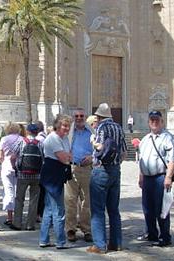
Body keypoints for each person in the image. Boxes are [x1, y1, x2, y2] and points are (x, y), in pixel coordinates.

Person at [87, 103, 127, 254]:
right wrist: (115, 163)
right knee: (114, 209)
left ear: (98, 116)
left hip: (101, 170)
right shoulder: (119, 127)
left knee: (97, 209)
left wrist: (92, 141)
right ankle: (116, 243)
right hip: (116, 171)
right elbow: (124, 152)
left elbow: (100, 147)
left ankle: (99, 245)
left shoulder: (101, 128)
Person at [138, 110, 174, 247]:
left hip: (161, 177)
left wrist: (168, 177)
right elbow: (142, 160)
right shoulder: (145, 139)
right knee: (147, 208)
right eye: (152, 120)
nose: (154, 122)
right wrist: (141, 176)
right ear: (148, 122)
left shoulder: (167, 137)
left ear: (162, 121)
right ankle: (151, 233)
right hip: (148, 179)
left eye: (157, 120)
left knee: (162, 209)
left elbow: (172, 160)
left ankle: (165, 236)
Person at [39, 115, 72, 249]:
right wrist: (67, 157)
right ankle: (60, 241)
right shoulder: (53, 138)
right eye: (64, 125)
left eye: (68, 125)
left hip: (57, 175)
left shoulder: (63, 138)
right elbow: (64, 158)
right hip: (52, 177)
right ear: (57, 125)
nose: (67, 128)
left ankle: (44, 239)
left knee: (48, 209)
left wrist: (67, 156)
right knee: (59, 210)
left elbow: (69, 155)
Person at [65, 108, 94, 242]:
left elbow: (98, 149)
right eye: (76, 116)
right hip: (72, 168)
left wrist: (92, 157)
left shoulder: (91, 133)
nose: (79, 118)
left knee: (86, 201)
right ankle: (70, 229)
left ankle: (86, 229)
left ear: (85, 117)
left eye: (81, 116)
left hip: (87, 169)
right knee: (70, 200)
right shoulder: (69, 133)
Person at [9, 124, 43, 231]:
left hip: (23, 174)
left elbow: (13, 156)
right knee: (34, 200)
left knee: (19, 199)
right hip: (37, 175)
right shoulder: (41, 143)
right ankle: (30, 224)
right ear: (37, 132)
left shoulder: (21, 142)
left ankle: (17, 223)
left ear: (27, 131)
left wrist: (15, 166)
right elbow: (44, 158)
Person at [0, 121, 22, 225]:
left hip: (7, 165)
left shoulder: (4, 139)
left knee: (8, 191)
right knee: (18, 192)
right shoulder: (22, 139)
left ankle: (9, 217)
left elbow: (0, 156)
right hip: (18, 166)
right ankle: (18, 217)